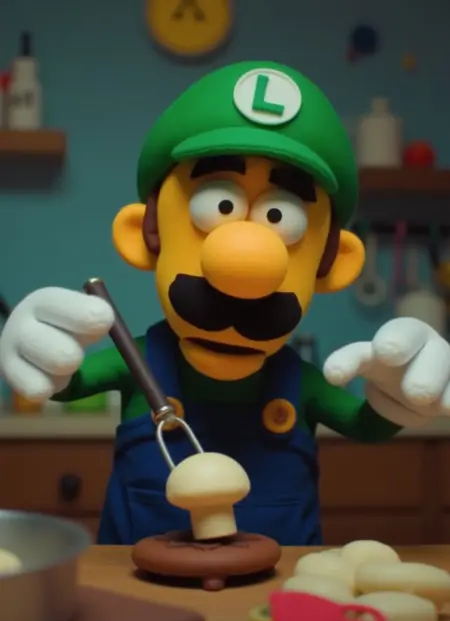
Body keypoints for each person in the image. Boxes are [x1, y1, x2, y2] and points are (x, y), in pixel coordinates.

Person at [2, 61, 450, 546]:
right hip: (136, 583)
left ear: (331, 263)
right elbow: (66, 384)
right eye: (218, 206)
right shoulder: (140, 361)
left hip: (281, 587)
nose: (245, 266)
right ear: (144, 234)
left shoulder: (298, 382)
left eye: (281, 217)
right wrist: (38, 351)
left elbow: (365, 424)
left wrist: (398, 400)